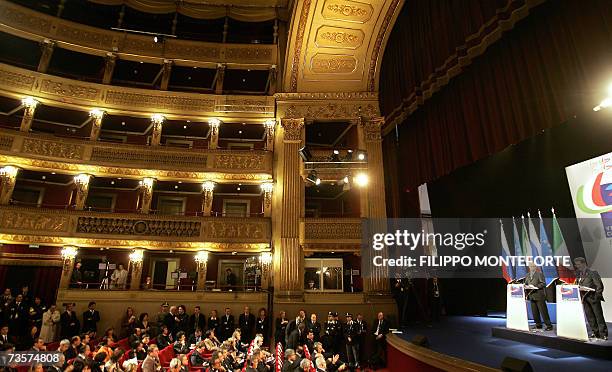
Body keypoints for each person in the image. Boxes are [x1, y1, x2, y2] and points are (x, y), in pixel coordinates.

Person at [574, 257, 608, 340]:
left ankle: (603, 333)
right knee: (590, 317)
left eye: (578, 264)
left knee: (598, 316)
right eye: (576, 265)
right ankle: (595, 332)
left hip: (593, 297)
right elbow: (578, 284)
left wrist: (597, 295)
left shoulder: (593, 272)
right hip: (584, 298)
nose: (577, 266)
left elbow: (599, 286)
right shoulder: (578, 273)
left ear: (583, 263)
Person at [524, 262, 552, 331]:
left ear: (536, 267)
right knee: (534, 312)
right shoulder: (527, 275)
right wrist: (525, 286)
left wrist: (535, 286)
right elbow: (526, 283)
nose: (532, 267)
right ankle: (538, 325)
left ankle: (549, 325)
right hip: (532, 295)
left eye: (533, 266)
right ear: (529, 267)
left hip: (539, 295)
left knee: (543, 311)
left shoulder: (539, 274)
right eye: (530, 266)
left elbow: (543, 283)